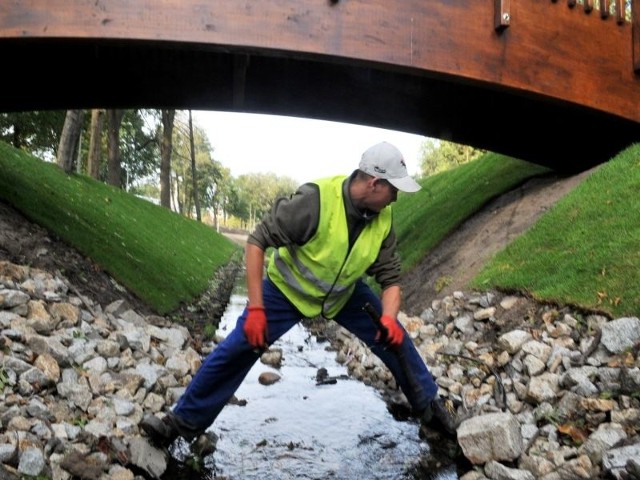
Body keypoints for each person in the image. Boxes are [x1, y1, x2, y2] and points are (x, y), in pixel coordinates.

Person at [140, 141, 458, 448]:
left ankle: (431, 408)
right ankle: (177, 425)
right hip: (286, 290)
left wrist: (388, 319)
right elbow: (256, 241)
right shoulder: (315, 202)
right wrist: (256, 309)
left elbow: (390, 280)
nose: (396, 198)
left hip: (343, 294)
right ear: (374, 183)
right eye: (394, 189)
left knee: (395, 338)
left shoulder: (383, 218)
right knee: (239, 346)